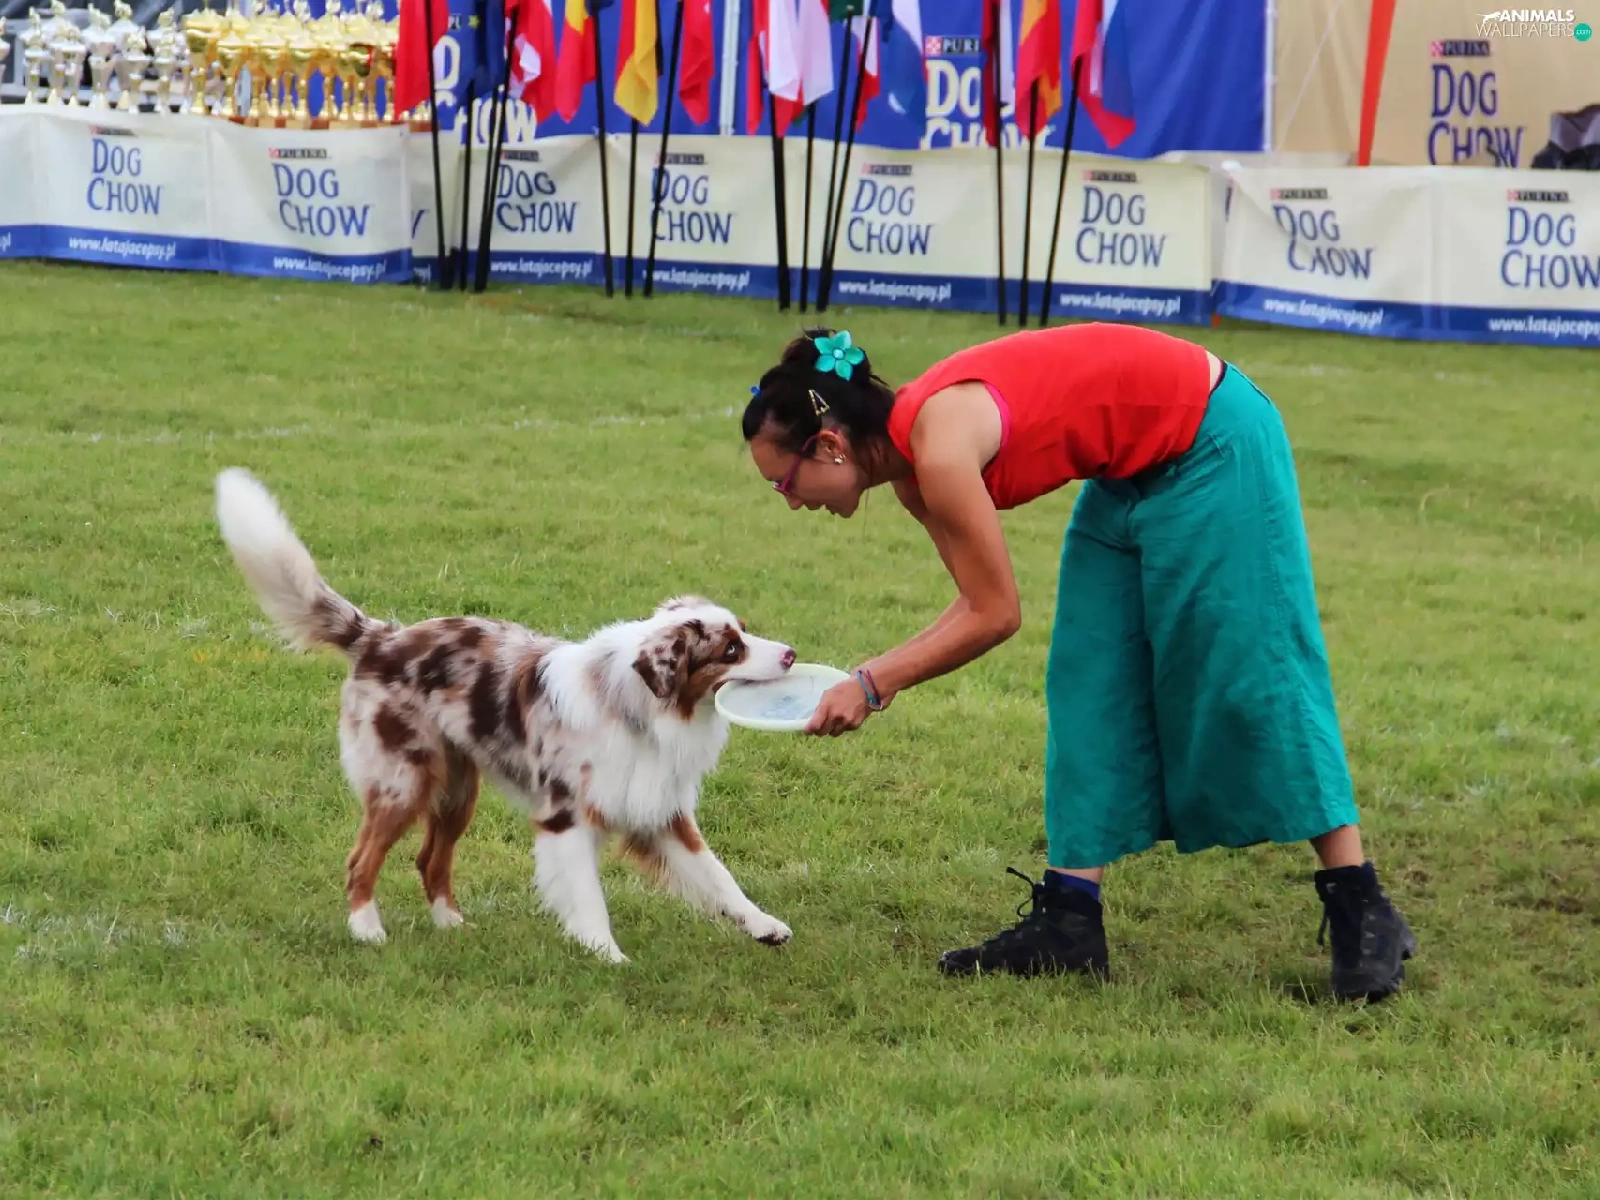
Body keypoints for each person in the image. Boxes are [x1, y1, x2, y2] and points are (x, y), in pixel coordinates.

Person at [740, 323, 1418, 1003]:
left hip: (1213, 438)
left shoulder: (938, 453)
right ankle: (1069, 921)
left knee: (1251, 676)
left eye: (784, 483)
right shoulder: (915, 475)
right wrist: (868, 679)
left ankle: (1361, 903)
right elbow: (975, 601)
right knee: (1091, 679)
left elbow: (997, 614)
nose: (792, 500)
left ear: (829, 446)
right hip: (1126, 472)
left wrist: (872, 683)